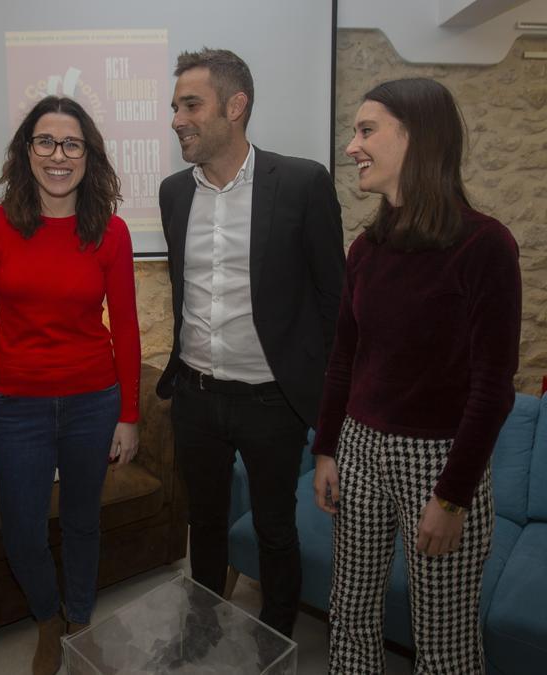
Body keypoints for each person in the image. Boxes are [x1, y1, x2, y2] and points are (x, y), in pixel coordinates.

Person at [312, 77, 522, 674]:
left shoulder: (485, 246)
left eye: (366, 130)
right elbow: (344, 362)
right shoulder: (367, 249)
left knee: (444, 638)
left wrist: (452, 498)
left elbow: (492, 388)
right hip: (357, 446)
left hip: (440, 460)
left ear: (417, 137)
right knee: (349, 614)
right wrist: (326, 449)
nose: (352, 146)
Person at [156, 48, 345, 638]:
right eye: (174, 106)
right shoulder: (173, 193)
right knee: (205, 520)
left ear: (235, 107)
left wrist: (333, 420)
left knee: (274, 527)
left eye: (191, 105)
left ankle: (276, 637)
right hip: (194, 393)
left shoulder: (301, 183)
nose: (177, 119)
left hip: (270, 400)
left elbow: (334, 305)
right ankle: (203, 626)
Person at [0, 95, 140, 675]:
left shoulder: (111, 231)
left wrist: (129, 415)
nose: (58, 155)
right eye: (46, 142)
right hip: (18, 408)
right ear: (27, 151)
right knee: (20, 532)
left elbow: (129, 329)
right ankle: (48, 618)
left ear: (88, 156)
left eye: (72, 144)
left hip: (95, 401)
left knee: (85, 520)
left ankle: (81, 619)